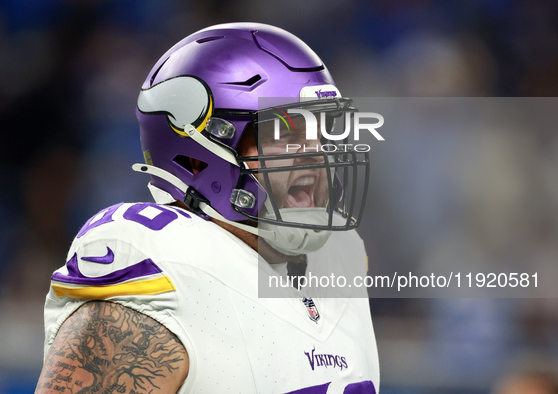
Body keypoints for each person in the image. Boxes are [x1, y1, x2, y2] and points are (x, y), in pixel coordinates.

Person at [35, 22, 379, 393]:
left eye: (323, 131)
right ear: (198, 157)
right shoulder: (163, 262)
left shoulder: (341, 256)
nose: (313, 153)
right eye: (285, 133)